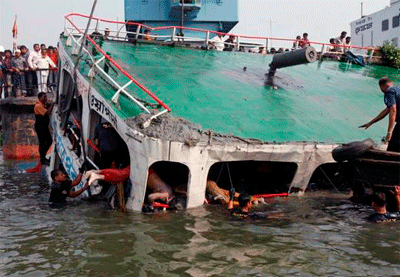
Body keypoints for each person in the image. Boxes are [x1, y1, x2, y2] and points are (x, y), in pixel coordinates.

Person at [359, 77, 400, 152]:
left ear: (382, 86)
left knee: (393, 147)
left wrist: (389, 132)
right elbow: (386, 111)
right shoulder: (397, 90)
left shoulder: (389, 91)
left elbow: (393, 110)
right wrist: (371, 122)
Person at [34, 92, 54, 165]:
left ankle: (43, 156)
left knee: (49, 141)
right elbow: (46, 113)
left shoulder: (43, 105)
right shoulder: (38, 106)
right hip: (40, 127)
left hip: (44, 126)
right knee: (42, 142)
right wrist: (53, 104)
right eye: (44, 97)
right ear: (40, 98)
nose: (46, 98)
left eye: (46, 97)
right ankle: (42, 158)